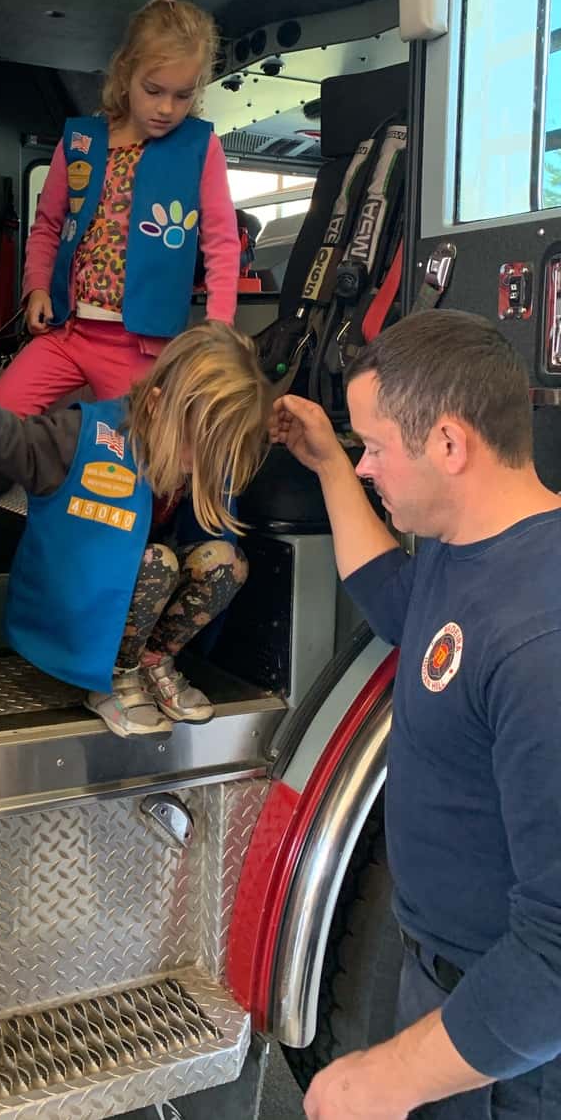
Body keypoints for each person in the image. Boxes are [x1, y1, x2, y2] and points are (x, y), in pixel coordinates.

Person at [269, 309, 561, 1119]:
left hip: (512, 1045)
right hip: (442, 982)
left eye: (374, 447)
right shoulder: (464, 545)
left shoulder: (540, 640)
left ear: (448, 443)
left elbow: (556, 956)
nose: (367, 465)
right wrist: (329, 464)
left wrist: (387, 1077)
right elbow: (403, 606)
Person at [0, 320, 270, 737]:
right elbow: (15, 444)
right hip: (72, 610)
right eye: (199, 445)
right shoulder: (84, 437)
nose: (203, 463)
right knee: (158, 562)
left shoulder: (190, 459)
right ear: (156, 406)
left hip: (126, 602)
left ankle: (151, 663)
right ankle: (115, 679)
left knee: (226, 563)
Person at [0, 0, 240, 418]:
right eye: (153, 90)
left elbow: (221, 242)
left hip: (142, 344)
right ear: (126, 73)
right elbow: (48, 224)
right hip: (68, 331)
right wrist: (37, 287)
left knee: (143, 446)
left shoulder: (201, 147)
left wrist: (219, 325)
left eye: (183, 95)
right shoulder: (80, 142)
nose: (166, 108)